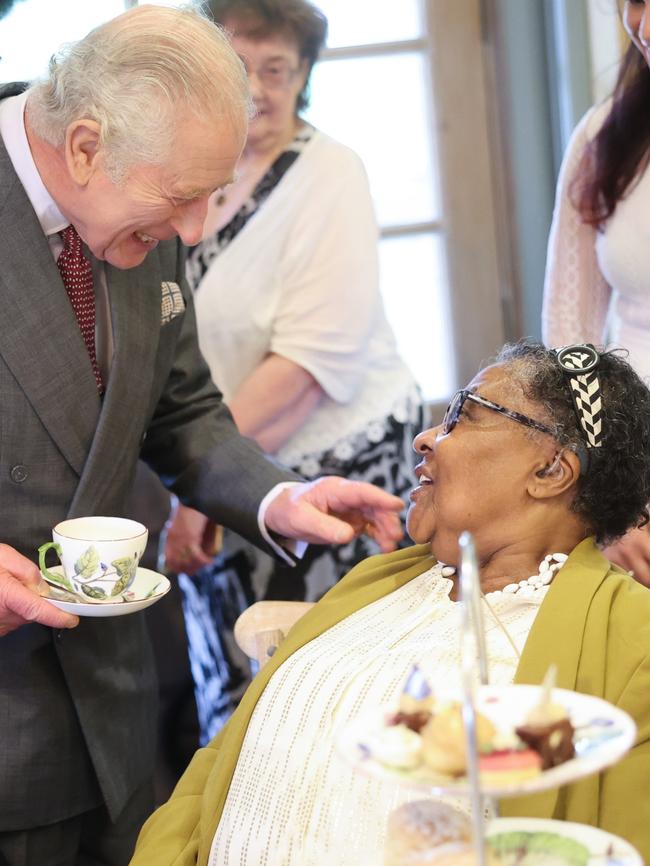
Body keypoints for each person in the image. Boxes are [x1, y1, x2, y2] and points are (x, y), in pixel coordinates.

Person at [0, 6, 407, 864]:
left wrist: (278, 498)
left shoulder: (141, 208)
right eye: (183, 200)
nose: (191, 233)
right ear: (82, 146)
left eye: (210, 197)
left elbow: (180, 409)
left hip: (114, 698)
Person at [131, 339, 650, 866]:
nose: (425, 438)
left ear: (550, 472)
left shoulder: (630, 643)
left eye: (462, 417)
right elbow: (214, 769)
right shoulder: (377, 581)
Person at [163, 0, 423, 740]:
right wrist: (198, 482)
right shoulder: (194, 174)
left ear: (304, 74)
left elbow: (307, 369)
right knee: (236, 706)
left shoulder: (329, 174)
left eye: (278, 69)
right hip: (225, 469)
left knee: (326, 708)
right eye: (238, 67)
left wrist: (195, 495)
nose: (258, 90)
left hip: (333, 475)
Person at [541, 0, 650, 584]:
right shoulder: (605, 136)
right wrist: (615, 505)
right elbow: (569, 351)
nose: (644, 26)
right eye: (634, 1)